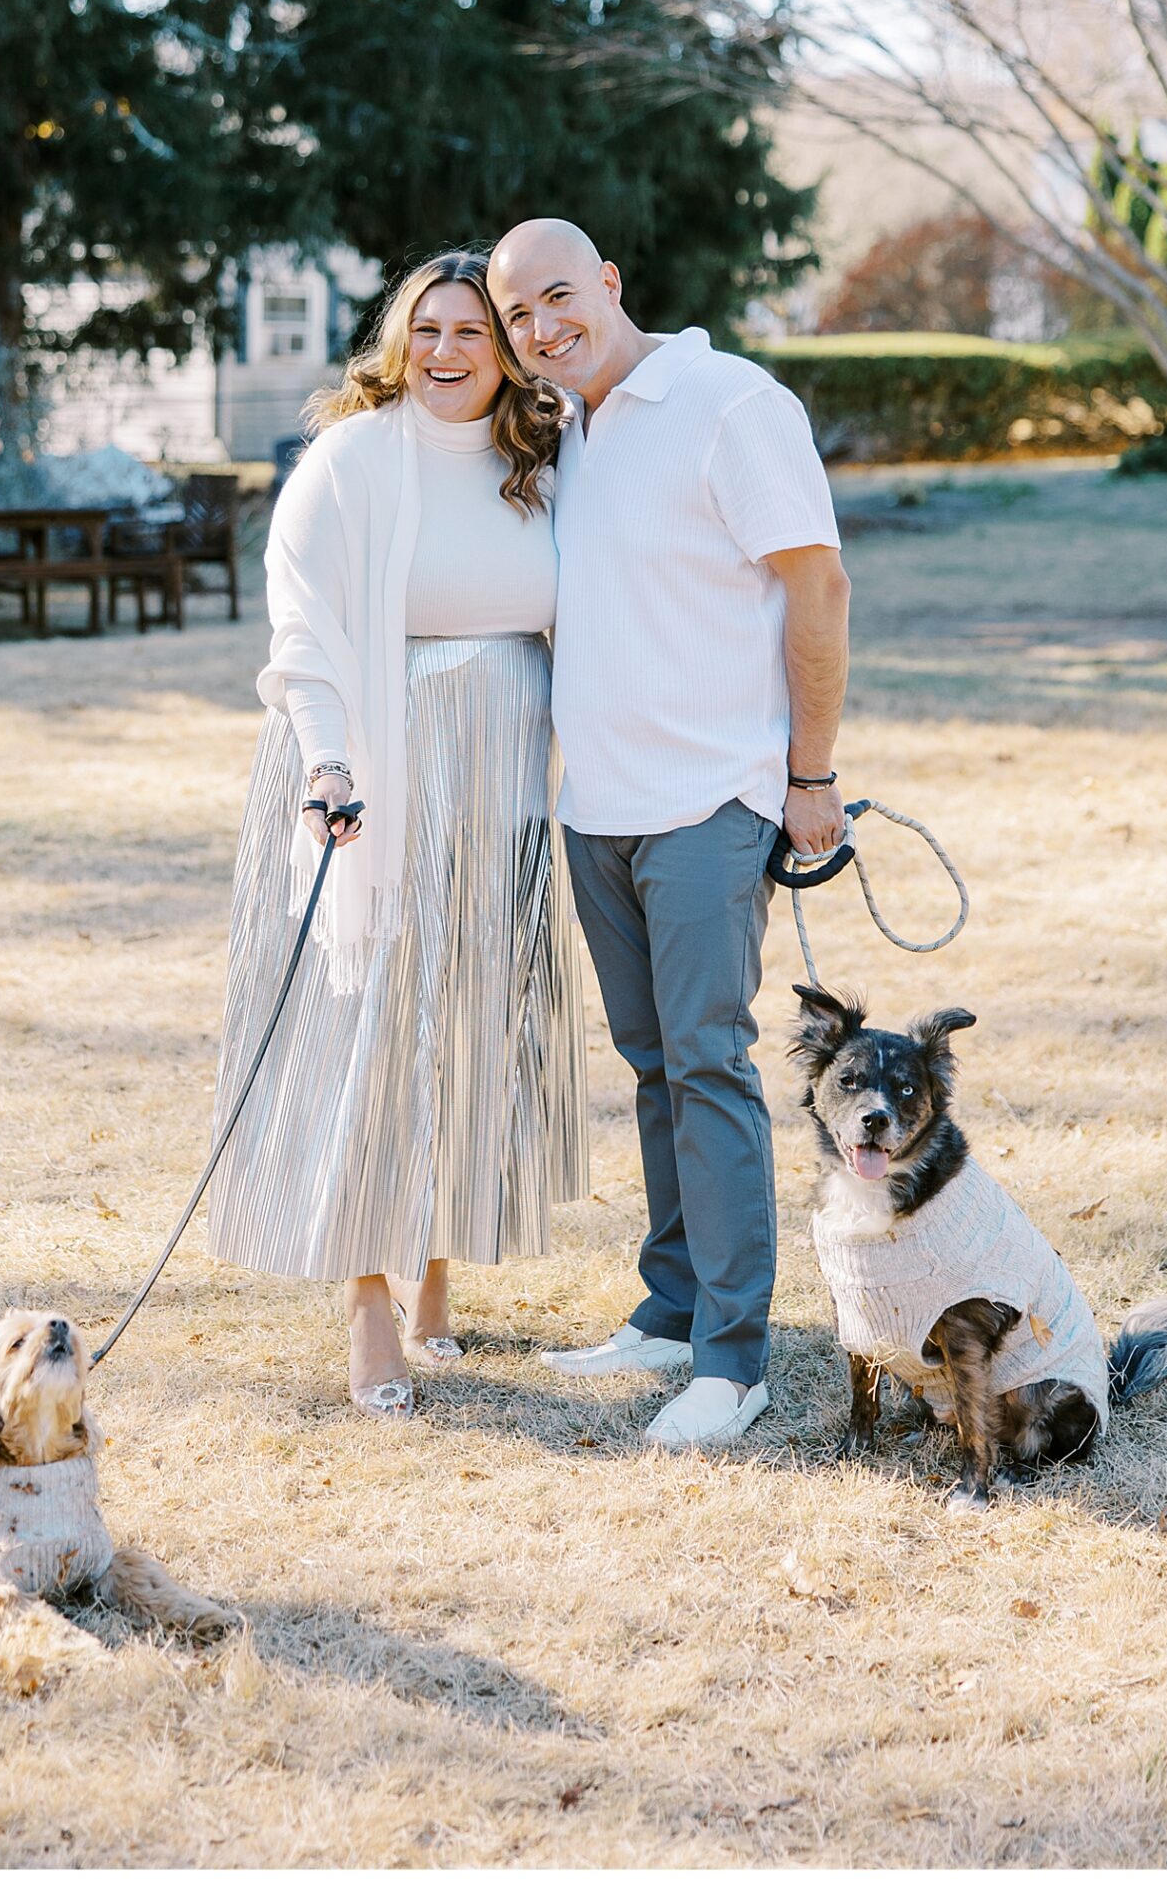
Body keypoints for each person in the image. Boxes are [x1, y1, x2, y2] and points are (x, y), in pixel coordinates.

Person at [486, 218, 850, 1452]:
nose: (542, 327)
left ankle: (733, 1363)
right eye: (518, 315)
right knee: (654, 1069)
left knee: (708, 1066)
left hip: (712, 802)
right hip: (597, 808)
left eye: (558, 296)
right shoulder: (569, 431)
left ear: (609, 282)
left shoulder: (730, 403)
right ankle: (673, 1306)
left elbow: (818, 585)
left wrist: (811, 775)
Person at [205, 251, 590, 1416]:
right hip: (378, 762)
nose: (446, 350)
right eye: (427, 328)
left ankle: (436, 1264)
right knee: (370, 1030)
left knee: (470, 1019)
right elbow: (303, 630)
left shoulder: (546, 459)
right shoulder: (349, 460)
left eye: (472, 330)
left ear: (507, 351)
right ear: (398, 341)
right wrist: (328, 761)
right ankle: (366, 1296)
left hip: (504, 772)